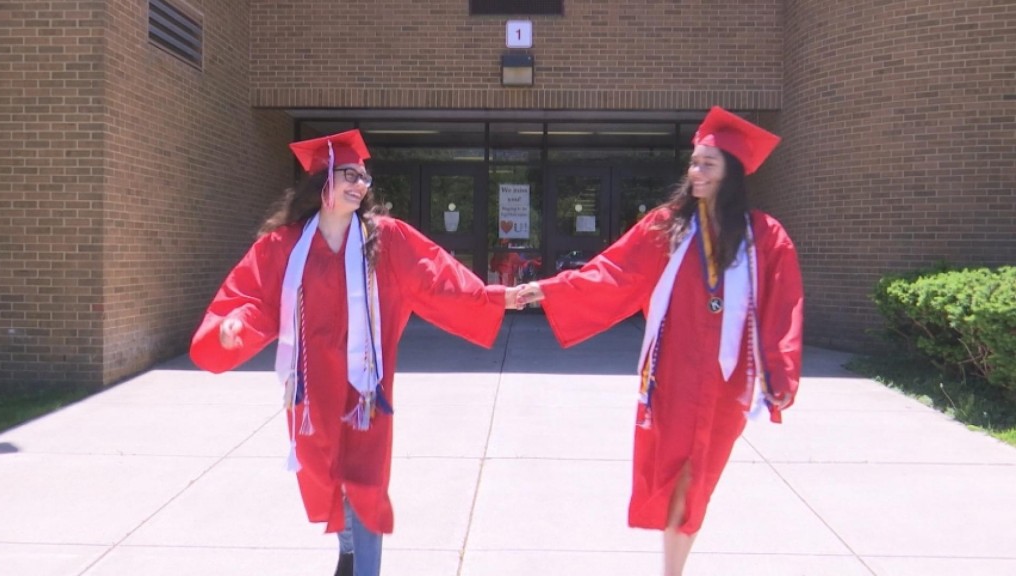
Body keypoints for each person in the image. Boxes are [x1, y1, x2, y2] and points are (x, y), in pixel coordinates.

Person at [189, 129, 523, 576]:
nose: (361, 183)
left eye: (364, 177)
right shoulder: (285, 246)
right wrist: (234, 327)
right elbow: (250, 298)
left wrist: (494, 296)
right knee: (328, 478)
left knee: (365, 483)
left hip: (366, 389)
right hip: (312, 386)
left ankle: (363, 567)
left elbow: (438, 279)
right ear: (323, 180)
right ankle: (349, 553)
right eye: (350, 174)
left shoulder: (384, 239)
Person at [517, 107, 804, 576]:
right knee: (675, 478)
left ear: (731, 172)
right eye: (693, 161)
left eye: (707, 163)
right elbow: (611, 274)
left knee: (700, 480)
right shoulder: (667, 227)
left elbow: (783, 306)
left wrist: (781, 371)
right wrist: (547, 289)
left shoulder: (765, 237)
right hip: (673, 376)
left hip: (726, 382)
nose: (695, 171)